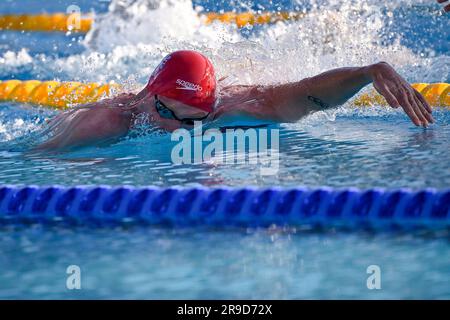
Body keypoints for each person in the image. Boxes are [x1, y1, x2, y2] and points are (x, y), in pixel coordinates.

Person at [36, 50, 434, 150]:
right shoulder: (103, 123)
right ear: (146, 95)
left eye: (194, 121)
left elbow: (308, 95)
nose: (179, 128)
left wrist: (367, 73)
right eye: (165, 112)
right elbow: (35, 161)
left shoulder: (228, 107)